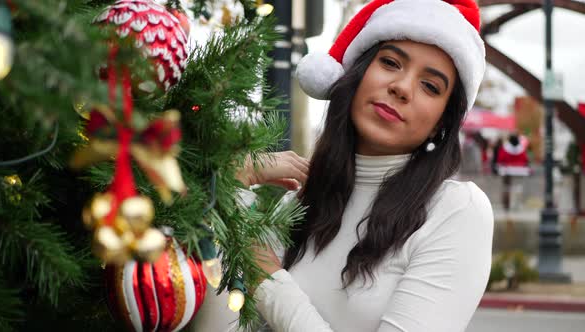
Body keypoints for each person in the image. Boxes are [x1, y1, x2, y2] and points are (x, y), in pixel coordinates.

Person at [192, 0, 494, 331]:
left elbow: (265, 283)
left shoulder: (455, 211)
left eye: (430, 86)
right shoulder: (301, 202)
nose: (402, 87)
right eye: (391, 63)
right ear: (357, 74)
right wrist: (228, 188)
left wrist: (268, 278)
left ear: (441, 123)